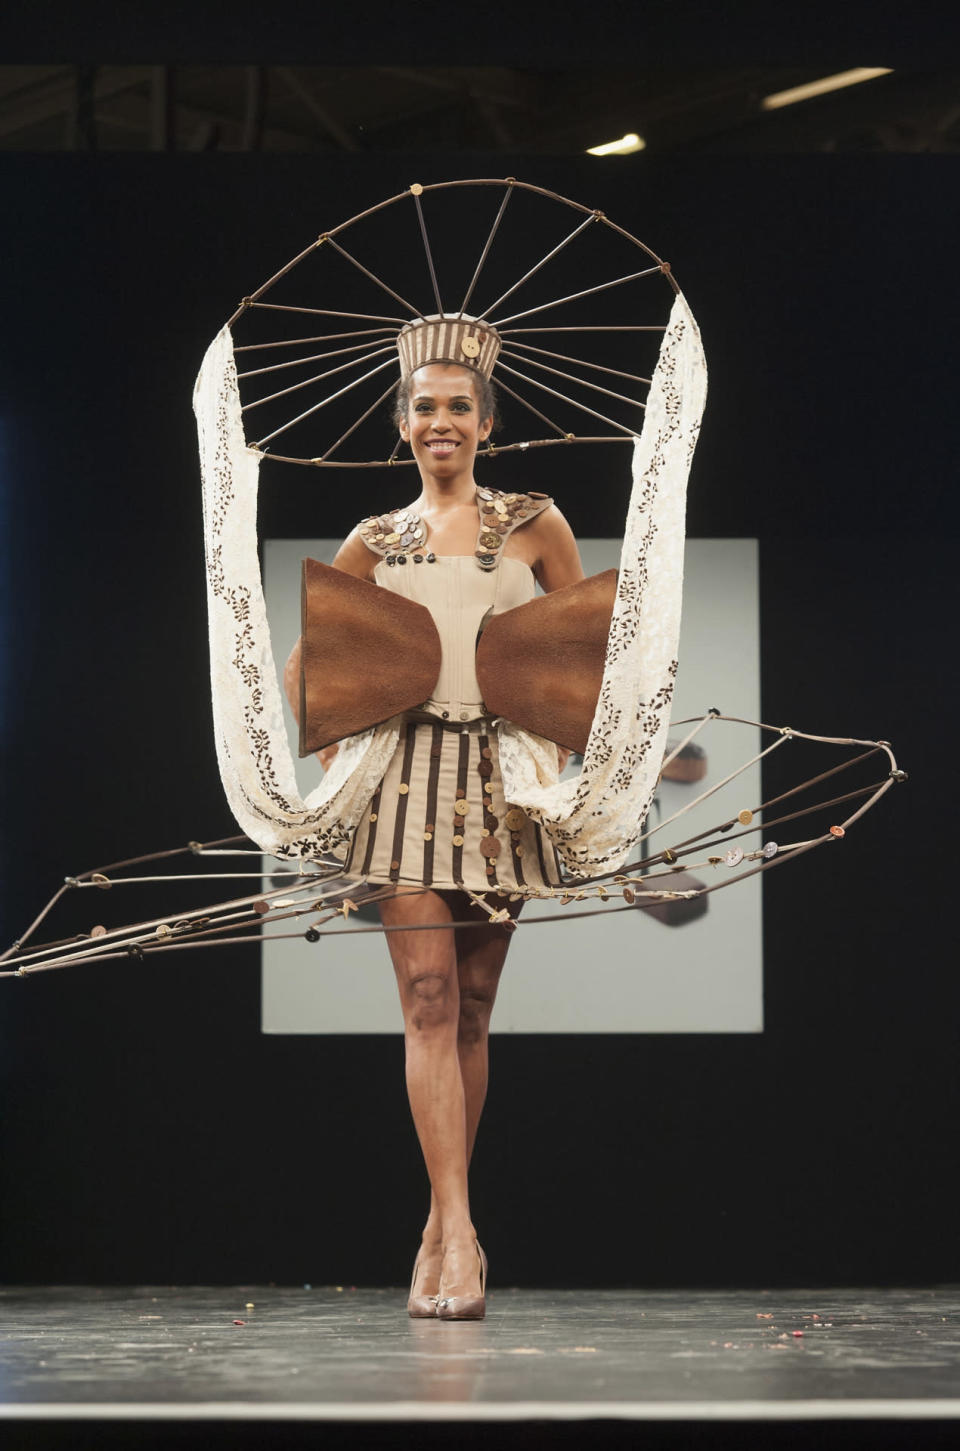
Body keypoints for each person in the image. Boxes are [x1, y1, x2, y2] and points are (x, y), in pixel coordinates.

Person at [284, 317, 584, 1320]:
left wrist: (574, 755)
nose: (442, 420)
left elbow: (580, 651)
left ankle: (437, 1221)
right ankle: (455, 1226)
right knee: (424, 993)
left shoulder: (535, 521)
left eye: (460, 405)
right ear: (403, 426)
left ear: (486, 422)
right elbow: (309, 659)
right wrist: (329, 738)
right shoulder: (376, 537)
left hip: (500, 782)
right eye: (425, 407)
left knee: (474, 1002)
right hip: (404, 777)